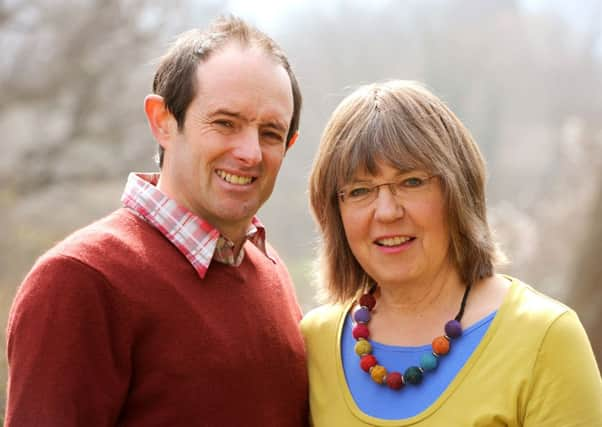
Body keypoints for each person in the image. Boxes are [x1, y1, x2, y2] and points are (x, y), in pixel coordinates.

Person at [5, 16, 308, 427]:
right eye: (225, 123)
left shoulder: (271, 271)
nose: (251, 153)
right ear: (162, 121)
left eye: (271, 133)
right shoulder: (81, 280)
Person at [302, 80, 602, 426]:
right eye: (359, 191)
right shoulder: (315, 343)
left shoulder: (545, 339)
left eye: (411, 182)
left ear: (458, 191)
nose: (386, 212)